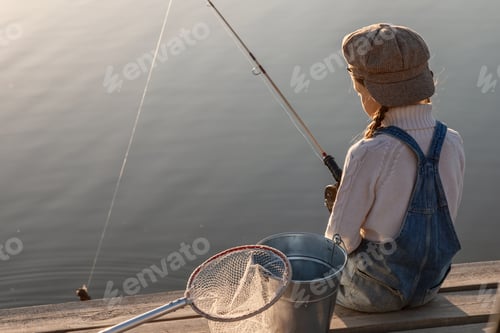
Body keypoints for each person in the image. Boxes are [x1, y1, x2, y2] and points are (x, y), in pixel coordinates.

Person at [324, 23, 465, 312]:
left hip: (372, 294)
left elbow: (340, 245)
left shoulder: (368, 151)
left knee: (290, 270)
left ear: (372, 93)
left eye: (359, 92)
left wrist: (341, 208)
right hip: (428, 287)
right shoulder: (452, 142)